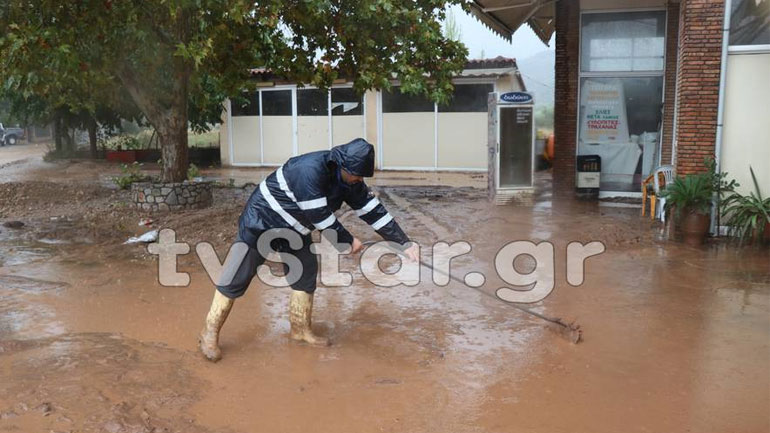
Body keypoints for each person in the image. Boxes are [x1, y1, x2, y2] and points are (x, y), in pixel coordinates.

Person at [199, 138, 419, 362]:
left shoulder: (350, 182)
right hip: (261, 220)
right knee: (236, 275)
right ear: (342, 166)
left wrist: (404, 243)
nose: (359, 180)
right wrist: (347, 241)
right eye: (356, 174)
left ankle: (300, 329)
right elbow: (320, 216)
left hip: (295, 228)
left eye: (362, 176)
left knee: (305, 275)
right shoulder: (310, 169)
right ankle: (209, 333)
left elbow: (374, 211)